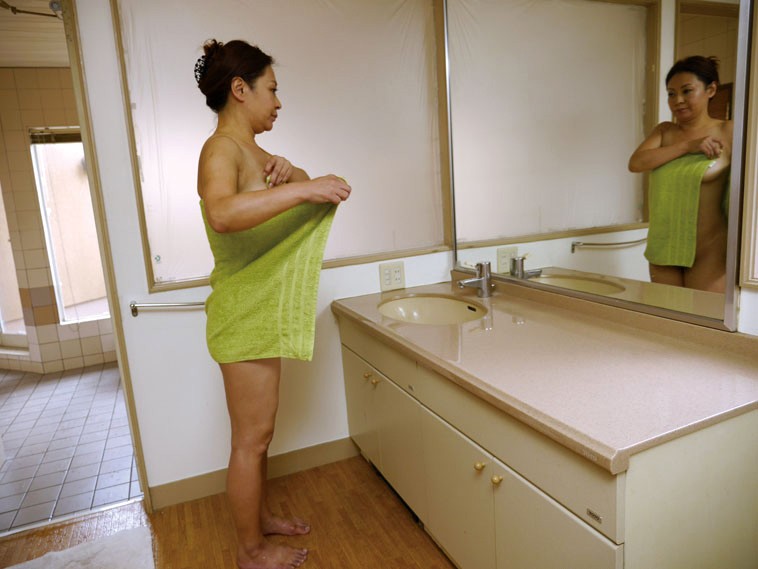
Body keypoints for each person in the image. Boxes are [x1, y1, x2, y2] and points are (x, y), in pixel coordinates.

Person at [195, 39, 351, 569]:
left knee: (261, 436)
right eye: (272, 89)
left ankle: (258, 519)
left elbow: (310, 191)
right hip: (242, 316)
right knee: (251, 440)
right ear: (240, 89)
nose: (278, 102)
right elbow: (222, 213)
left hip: (258, 315)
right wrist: (302, 189)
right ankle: (251, 551)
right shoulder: (220, 149)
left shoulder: (258, 154)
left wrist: (296, 176)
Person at [628, 55, 732, 293]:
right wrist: (687, 146)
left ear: (711, 89)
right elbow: (636, 163)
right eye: (671, 94)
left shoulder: (728, 130)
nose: (678, 100)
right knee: (667, 314)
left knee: (705, 315)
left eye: (687, 91)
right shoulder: (665, 131)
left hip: (711, 249)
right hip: (665, 246)